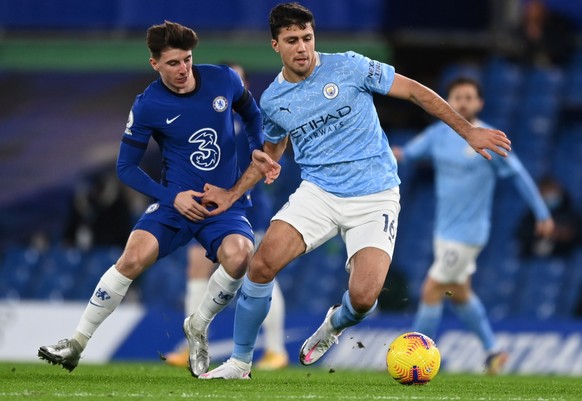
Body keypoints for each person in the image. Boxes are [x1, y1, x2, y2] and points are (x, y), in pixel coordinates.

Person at [198, 2, 512, 380]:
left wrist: (468, 130)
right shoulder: (274, 100)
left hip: (375, 195)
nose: (302, 47)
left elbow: (412, 91)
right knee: (262, 264)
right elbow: (272, 151)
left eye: (307, 38)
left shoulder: (349, 65)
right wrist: (233, 194)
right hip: (319, 193)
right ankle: (239, 363)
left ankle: (333, 325)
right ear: (275, 45)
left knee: (364, 299)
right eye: (292, 40)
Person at [37, 21, 280, 377]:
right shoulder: (149, 104)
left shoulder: (223, 78)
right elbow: (126, 168)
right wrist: (172, 196)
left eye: (187, 60)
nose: (183, 70)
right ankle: (76, 343)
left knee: (240, 256)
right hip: (174, 203)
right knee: (133, 257)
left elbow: (250, 110)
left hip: (221, 204)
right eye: (172, 63)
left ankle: (198, 325)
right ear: (155, 64)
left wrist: (257, 146)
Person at [391, 77, 554, 375]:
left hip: (469, 234)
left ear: (480, 103)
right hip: (443, 231)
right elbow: (407, 154)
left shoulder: (488, 138)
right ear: (448, 102)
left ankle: (414, 357)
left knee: (432, 289)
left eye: (469, 97)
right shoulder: (438, 134)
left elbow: (518, 174)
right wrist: (381, 155)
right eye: (457, 97)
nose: (463, 102)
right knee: (460, 293)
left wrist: (542, 212)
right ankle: (494, 352)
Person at [164, 62, 289, 370]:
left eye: (238, 80)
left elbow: (267, 159)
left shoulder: (253, 120)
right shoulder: (201, 117)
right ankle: (193, 343)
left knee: (259, 272)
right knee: (196, 268)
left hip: (246, 209)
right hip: (205, 208)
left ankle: (276, 349)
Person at [517, 175, 581, 259]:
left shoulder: (570, 210)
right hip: (541, 259)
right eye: (545, 191)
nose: (549, 195)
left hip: (567, 257)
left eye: (551, 190)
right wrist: (542, 234)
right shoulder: (533, 215)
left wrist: (569, 235)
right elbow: (523, 242)